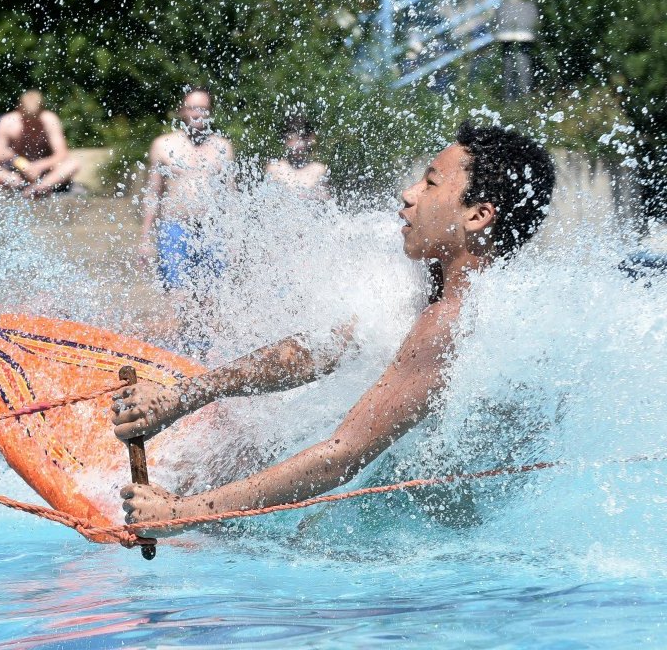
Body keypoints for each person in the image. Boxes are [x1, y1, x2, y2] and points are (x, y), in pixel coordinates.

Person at [113, 122, 556, 536]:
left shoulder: (452, 323)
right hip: (418, 526)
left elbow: (341, 456)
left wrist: (181, 514)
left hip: (431, 553)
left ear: (478, 216)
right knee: (252, 443)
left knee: (289, 524)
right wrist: (181, 398)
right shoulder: (430, 287)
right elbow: (317, 351)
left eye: (431, 183)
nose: (408, 194)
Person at [139, 86, 236, 289]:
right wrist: (145, 238)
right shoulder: (164, 145)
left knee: (212, 295)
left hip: (212, 229)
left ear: (210, 112)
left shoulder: (223, 147)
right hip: (174, 227)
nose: (197, 113)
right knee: (177, 293)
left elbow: (231, 196)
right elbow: (152, 193)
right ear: (182, 111)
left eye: (203, 108)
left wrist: (233, 238)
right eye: (192, 108)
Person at [0, 90, 80, 197]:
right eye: (26, 119)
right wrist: (20, 163)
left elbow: (61, 155)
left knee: (72, 164)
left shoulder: (50, 120)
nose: (31, 125)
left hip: (44, 174)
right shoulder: (8, 122)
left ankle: (39, 188)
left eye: (34, 120)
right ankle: (19, 186)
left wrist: (38, 166)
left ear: (41, 112)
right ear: (19, 110)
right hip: (16, 174)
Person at [264, 115, 330, 199]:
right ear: (285, 141)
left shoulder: (318, 169)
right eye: (293, 138)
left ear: (308, 140)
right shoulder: (275, 167)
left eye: (302, 138)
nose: (298, 143)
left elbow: (325, 199)